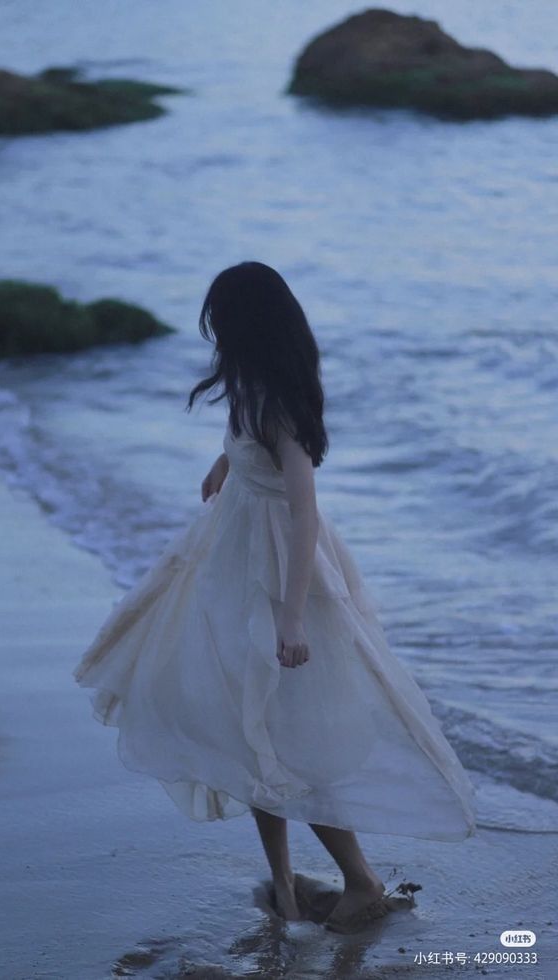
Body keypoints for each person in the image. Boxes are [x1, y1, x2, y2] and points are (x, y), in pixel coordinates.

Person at [73, 261, 477, 932]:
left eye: (222, 325)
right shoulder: (252, 389)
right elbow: (250, 445)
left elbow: (303, 512)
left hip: (281, 574)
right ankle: (285, 885)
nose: (215, 337)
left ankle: (362, 880)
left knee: (291, 740)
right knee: (243, 730)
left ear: (246, 329)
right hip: (233, 560)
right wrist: (226, 460)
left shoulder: (279, 401)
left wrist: (292, 618)